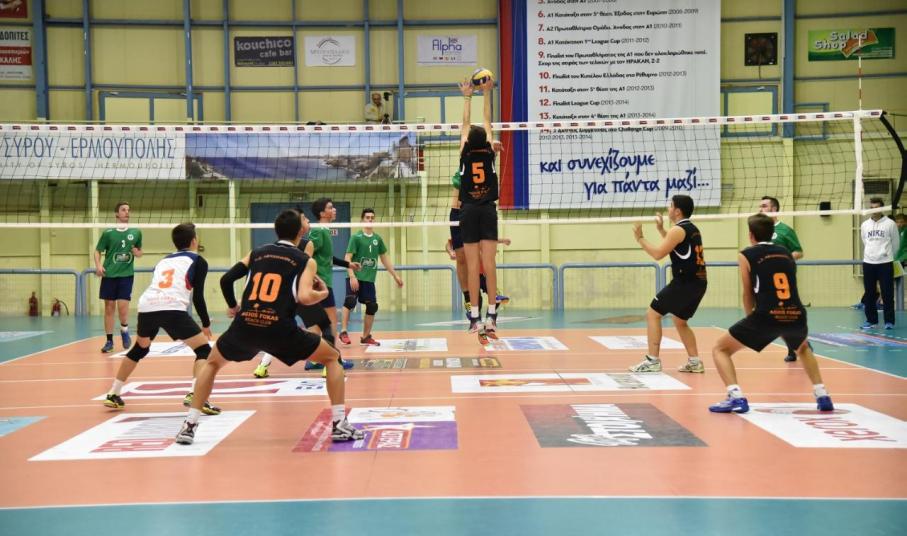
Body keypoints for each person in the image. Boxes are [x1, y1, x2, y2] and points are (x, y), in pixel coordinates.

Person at [175, 209, 364, 445]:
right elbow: (305, 298)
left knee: (211, 363)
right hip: (279, 328)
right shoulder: (305, 260)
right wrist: (323, 293)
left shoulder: (256, 253)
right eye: (304, 221)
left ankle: (189, 425)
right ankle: (339, 424)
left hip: (245, 325)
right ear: (301, 231)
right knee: (332, 357)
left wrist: (233, 306)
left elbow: (226, 279)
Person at [709, 213, 834, 414]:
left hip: (766, 315)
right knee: (802, 348)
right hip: (795, 312)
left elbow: (748, 291)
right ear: (772, 233)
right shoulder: (786, 253)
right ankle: (822, 395)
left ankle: (736, 397)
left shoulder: (746, 254)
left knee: (720, 349)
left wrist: (749, 318)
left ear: (751, 235)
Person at [102, 223, 220, 415]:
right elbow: (198, 297)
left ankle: (113, 393)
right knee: (203, 350)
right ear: (194, 241)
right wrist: (205, 323)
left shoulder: (163, 261)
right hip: (172, 307)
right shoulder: (198, 260)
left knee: (140, 348)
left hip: (147, 305)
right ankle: (196, 395)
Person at [253, 211, 350, 378]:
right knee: (324, 325)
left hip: (281, 296)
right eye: (304, 219)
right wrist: (316, 282)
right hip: (299, 294)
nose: (308, 221)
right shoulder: (308, 244)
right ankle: (329, 365)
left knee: (280, 331)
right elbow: (303, 266)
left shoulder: (275, 247)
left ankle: (262, 366)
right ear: (299, 228)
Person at [629, 195, 707, 374]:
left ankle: (652, 361)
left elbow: (658, 254)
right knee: (680, 321)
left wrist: (640, 238)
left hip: (684, 283)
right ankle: (695, 362)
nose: (668, 208)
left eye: (670, 206)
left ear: (677, 211)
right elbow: (675, 246)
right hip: (699, 282)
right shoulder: (691, 228)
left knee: (652, 314)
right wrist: (661, 229)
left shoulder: (678, 230)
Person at [457, 75, 500, 343]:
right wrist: (486, 92)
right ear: (485, 140)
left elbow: (466, 125)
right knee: (490, 264)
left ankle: (474, 317)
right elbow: (486, 121)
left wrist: (467, 96)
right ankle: (492, 315)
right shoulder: (489, 151)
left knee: (473, 267)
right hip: (487, 210)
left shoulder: (465, 152)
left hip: (469, 210)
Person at [339, 209, 403, 346]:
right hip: (355, 276)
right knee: (350, 301)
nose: (370, 219)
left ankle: (365, 336)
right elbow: (347, 257)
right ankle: (343, 331)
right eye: (367, 217)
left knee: (372, 306)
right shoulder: (356, 237)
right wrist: (352, 276)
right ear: (362, 220)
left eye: (372, 217)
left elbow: (384, 259)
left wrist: (395, 276)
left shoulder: (377, 239)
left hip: (369, 279)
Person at [759, 196, 805, 362]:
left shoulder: (785, 230)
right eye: (760, 206)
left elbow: (799, 252)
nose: (760, 209)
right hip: (766, 278)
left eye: (764, 206)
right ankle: (798, 343)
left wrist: (782, 259)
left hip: (783, 279)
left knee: (784, 314)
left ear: (773, 209)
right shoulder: (760, 231)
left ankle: (796, 347)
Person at [94, 202, 143, 353]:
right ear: (117, 214)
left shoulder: (136, 232)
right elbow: (97, 251)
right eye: (123, 210)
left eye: (128, 210)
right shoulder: (108, 233)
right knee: (109, 308)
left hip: (126, 275)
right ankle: (109, 341)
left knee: (122, 307)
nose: (127, 212)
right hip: (109, 275)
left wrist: (137, 253)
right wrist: (98, 265)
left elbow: (140, 252)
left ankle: (124, 329)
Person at [446, 236, 511, 316]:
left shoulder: (479, 236)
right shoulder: (463, 235)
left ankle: (490, 314)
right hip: (469, 276)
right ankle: (474, 315)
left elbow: (490, 240)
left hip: (481, 274)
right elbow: (448, 244)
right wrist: (451, 252)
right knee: (476, 300)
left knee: (494, 295)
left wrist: (503, 240)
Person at [860, 197, 900, 330]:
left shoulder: (890, 224)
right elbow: (865, 241)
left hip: (885, 263)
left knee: (887, 293)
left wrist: (886, 255)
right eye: (872, 208)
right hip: (868, 263)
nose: (874, 210)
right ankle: (871, 320)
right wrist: (872, 254)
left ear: (882, 208)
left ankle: (889, 321)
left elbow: (895, 244)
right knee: (870, 293)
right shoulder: (865, 225)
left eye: (877, 207)